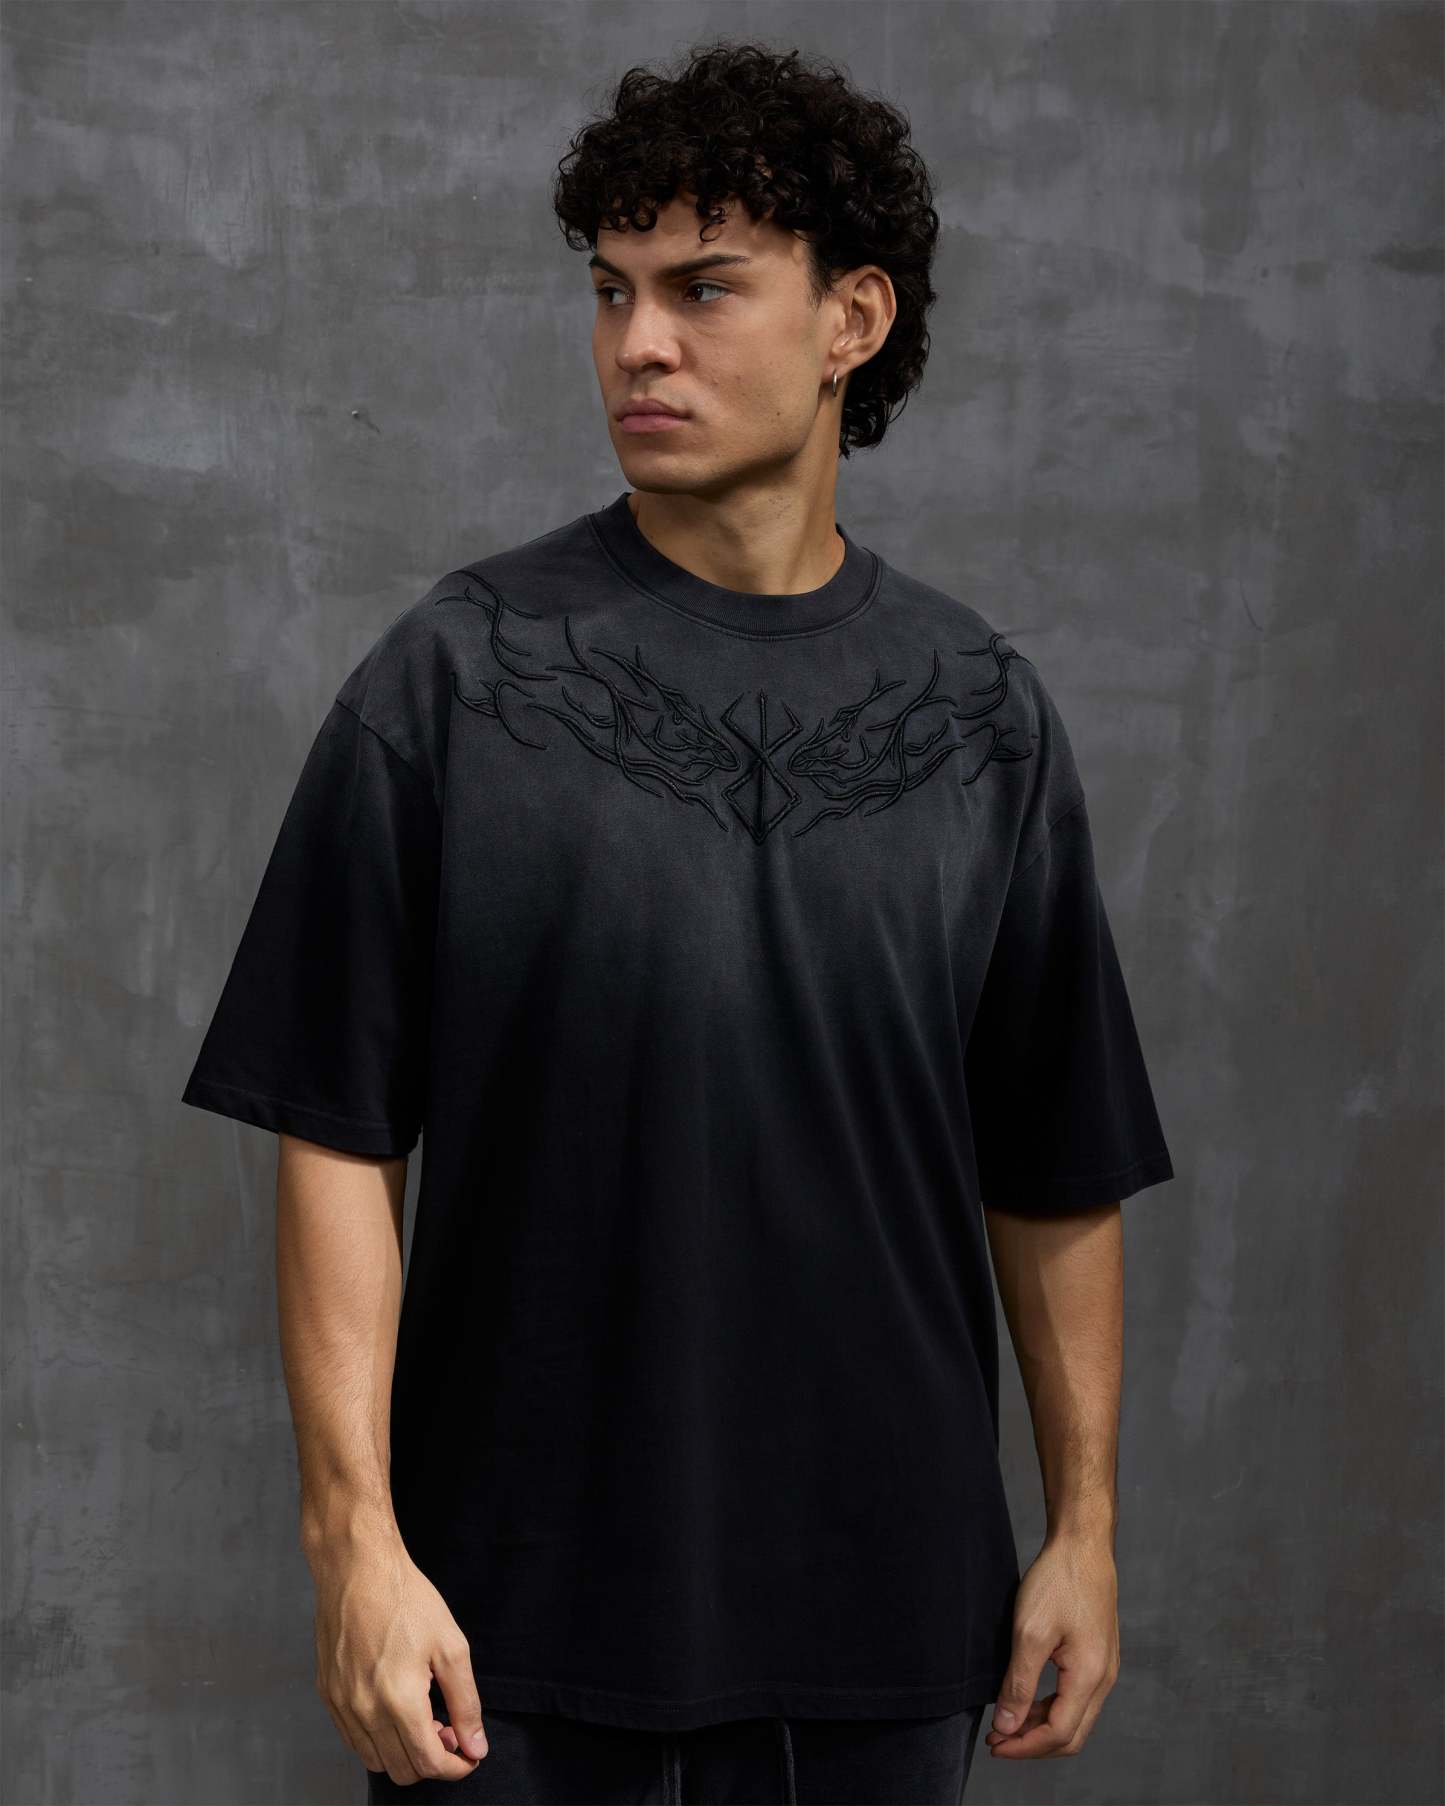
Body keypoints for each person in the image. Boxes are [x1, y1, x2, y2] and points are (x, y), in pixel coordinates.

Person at [180, 37, 1174, 1806]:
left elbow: (1053, 1160)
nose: (637, 342)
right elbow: (333, 1128)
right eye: (612, 290)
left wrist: (1084, 1527)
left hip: (887, 1628)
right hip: (506, 1633)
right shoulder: (457, 679)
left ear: (850, 319)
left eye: (703, 288)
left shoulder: (978, 713)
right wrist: (354, 1544)